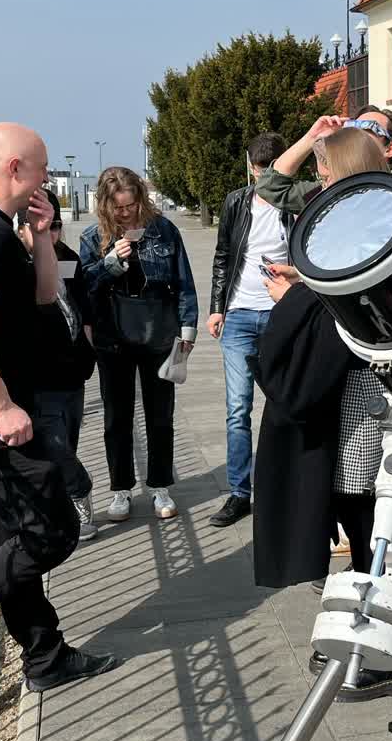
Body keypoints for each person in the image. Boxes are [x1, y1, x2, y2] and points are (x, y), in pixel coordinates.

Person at [0, 122, 116, 695]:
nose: (47, 178)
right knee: (53, 530)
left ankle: (44, 655)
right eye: (40, 169)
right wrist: (2, 405)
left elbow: (41, 297)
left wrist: (39, 235)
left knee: (19, 532)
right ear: (15, 169)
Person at [251, 127, 392, 700]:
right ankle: (365, 630)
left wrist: (293, 300)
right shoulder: (366, 217)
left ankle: (376, 647)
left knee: (370, 526)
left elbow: (354, 302)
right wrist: (304, 283)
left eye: (328, 171)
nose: (322, 181)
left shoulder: (369, 223)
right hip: (355, 396)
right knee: (360, 521)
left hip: (365, 401)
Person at [79, 166, 199, 522]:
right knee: (117, 418)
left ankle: (160, 486)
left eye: (132, 204)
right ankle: (120, 490)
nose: (127, 212)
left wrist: (188, 329)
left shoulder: (164, 231)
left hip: (159, 334)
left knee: (160, 416)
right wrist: (110, 264)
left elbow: (184, 281)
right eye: (119, 207)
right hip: (113, 339)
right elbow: (84, 288)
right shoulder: (91, 237)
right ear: (105, 205)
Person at [206, 132, 295, 528]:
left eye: (268, 171)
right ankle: (239, 493)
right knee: (237, 410)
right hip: (239, 315)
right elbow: (223, 254)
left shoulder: (296, 204)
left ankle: (286, 488)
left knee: (287, 405)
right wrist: (216, 309)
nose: (260, 178)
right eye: (257, 170)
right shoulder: (236, 202)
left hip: (282, 314)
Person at [20, 189, 99, 541]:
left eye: (54, 226)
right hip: (40, 377)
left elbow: (83, 308)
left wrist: (87, 350)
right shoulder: (17, 264)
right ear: (22, 228)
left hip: (74, 372)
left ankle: (65, 506)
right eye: (41, 227)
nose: (50, 234)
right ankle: (80, 492)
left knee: (67, 443)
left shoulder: (68, 257)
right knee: (55, 447)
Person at [255, 109, 392, 213]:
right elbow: (269, 186)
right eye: (352, 128)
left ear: (390, 148)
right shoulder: (327, 190)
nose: (356, 137)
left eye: (367, 129)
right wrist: (312, 137)